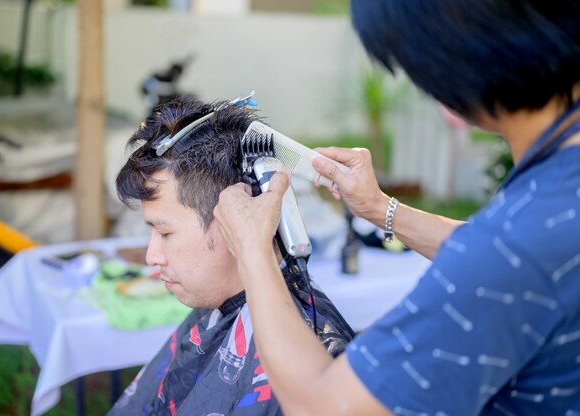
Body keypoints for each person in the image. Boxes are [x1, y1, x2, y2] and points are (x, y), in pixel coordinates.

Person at [213, 1, 580, 415]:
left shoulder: (512, 249)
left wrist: (252, 251)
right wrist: (379, 208)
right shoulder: (549, 208)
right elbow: (513, 255)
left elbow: (324, 406)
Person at [108, 95, 354, 415]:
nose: (152, 256)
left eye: (165, 233)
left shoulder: (316, 363)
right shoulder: (217, 305)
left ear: (232, 217)